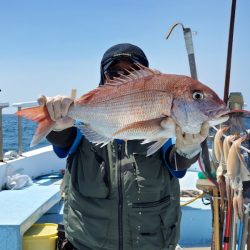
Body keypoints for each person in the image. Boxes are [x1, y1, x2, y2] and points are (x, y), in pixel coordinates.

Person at [43, 43, 209, 250]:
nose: (122, 77)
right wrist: (56, 124)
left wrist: (189, 148)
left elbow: (178, 165)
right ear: (102, 79)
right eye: (114, 73)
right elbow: (63, 140)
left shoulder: (163, 136)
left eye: (132, 72)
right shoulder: (84, 134)